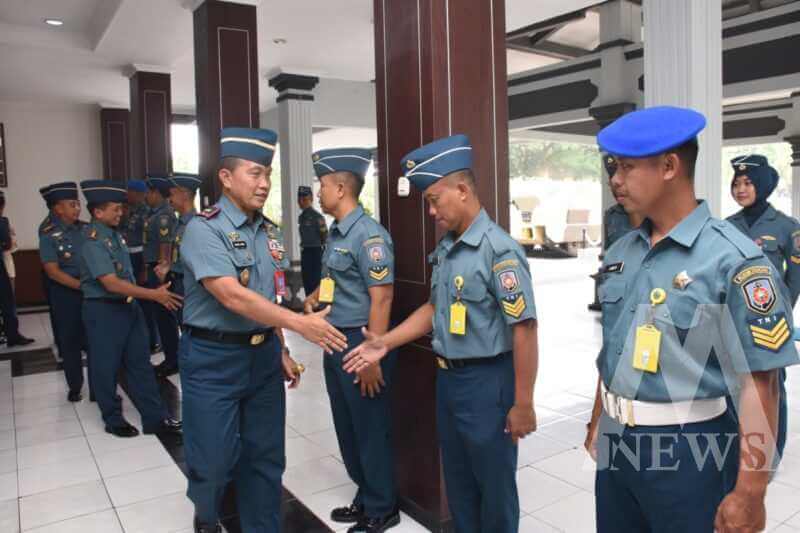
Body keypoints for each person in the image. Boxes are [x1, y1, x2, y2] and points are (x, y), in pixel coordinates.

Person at [582, 106, 799, 533]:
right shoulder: (624, 250)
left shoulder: (733, 260)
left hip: (690, 447)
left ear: (669, 166)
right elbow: (616, 345)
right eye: (613, 167)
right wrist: (598, 417)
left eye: (627, 167)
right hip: (617, 441)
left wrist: (751, 492)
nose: (615, 179)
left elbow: (761, 383)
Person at [343, 134, 539, 533]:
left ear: (462, 190)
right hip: (450, 381)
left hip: (488, 383)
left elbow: (525, 330)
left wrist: (523, 403)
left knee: (494, 489)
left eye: (434, 199)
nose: (431, 211)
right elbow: (435, 309)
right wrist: (385, 341)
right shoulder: (449, 249)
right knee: (460, 486)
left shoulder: (498, 251)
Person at [179, 127, 348, 533]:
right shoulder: (205, 229)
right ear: (225, 177)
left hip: (261, 360)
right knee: (214, 461)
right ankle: (206, 512)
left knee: (266, 457)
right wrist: (299, 323)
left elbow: (268, 300)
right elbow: (232, 297)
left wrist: (283, 349)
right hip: (212, 359)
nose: (265, 184)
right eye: (255, 174)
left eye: (268, 174)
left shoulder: (268, 232)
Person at [303, 148, 398, 532]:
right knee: (348, 426)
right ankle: (366, 492)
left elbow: (383, 297)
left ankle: (382, 506)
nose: (319, 191)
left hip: (360, 345)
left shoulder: (370, 236)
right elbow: (337, 282)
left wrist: (372, 356)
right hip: (334, 341)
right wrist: (315, 297)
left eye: (322, 184)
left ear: (340, 188)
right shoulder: (337, 233)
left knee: (370, 427)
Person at [79, 179, 183, 438]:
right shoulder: (93, 241)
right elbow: (111, 283)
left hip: (129, 309)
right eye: (114, 208)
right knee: (106, 367)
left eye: (120, 208)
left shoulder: (114, 234)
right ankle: (113, 419)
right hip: (104, 311)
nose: (120, 212)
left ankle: (155, 419)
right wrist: (152, 295)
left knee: (141, 365)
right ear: (97, 212)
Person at [726, 154, 800, 470]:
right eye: (736, 183)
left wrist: (778, 311)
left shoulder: (787, 227)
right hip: (733, 321)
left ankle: (771, 453)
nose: (741, 189)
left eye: (748, 183)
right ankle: (740, 447)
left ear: (764, 185)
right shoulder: (726, 227)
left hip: (771, 324)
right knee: (735, 386)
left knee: (771, 387)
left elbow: (794, 280)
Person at [38, 182, 90, 401]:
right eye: (72, 204)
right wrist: (80, 286)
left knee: (94, 340)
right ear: (58, 209)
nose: (78, 208)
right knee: (69, 341)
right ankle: (75, 386)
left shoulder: (87, 228)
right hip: (66, 294)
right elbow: (52, 272)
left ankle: (99, 388)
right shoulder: (49, 234)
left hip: (91, 292)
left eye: (78, 204)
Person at [155, 174, 201, 365]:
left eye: (172, 194)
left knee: (194, 333)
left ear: (183, 195)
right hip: (178, 282)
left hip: (190, 287)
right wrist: (168, 266)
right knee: (186, 331)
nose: (169, 200)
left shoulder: (197, 225)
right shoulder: (180, 223)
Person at [144, 175, 180, 377]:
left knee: (165, 318)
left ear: (156, 192)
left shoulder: (164, 215)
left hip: (160, 271)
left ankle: (173, 360)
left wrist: (161, 274)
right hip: (154, 268)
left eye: (148, 192)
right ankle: (171, 357)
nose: (146, 196)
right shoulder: (154, 213)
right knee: (160, 317)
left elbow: (165, 246)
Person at [0, 191, 34, 348]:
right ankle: (12, 336)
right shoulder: (2, 221)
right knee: (8, 302)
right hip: (3, 266)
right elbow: (7, 245)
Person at [602, 153, 641, 250]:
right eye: (611, 183)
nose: (616, 184)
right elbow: (609, 254)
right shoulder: (612, 215)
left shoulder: (657, 213)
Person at [298, 184, 328, 296]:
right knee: (307, 282)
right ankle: (310, 308)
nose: (301, 202)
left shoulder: (317, 217)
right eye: (300, 199)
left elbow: (325, 236)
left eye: (304, 199)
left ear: (311, 199)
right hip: (305, 252)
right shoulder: (301, 217)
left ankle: (318, 309)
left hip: (316, 253)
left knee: (316, 282)